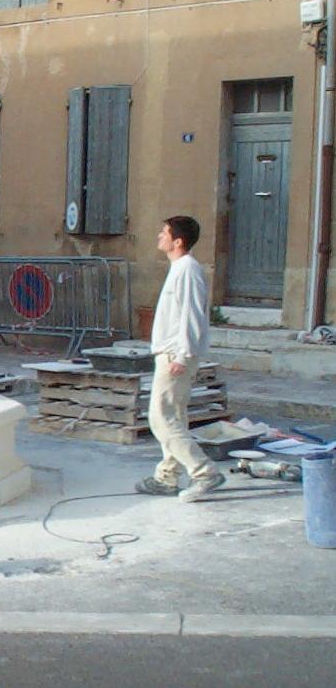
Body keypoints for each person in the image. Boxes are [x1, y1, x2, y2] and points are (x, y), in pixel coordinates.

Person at [136, 215, 226, 503]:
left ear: (178, 241)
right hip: (172, 352)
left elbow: (191, 315)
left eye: (164, 233)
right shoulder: (180, 268)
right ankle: (168, 476)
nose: (159, 237)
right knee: (174, 417)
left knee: (160, 418)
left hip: (175, 355)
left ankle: (204, 472)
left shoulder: (187, 270)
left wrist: (182, 356)